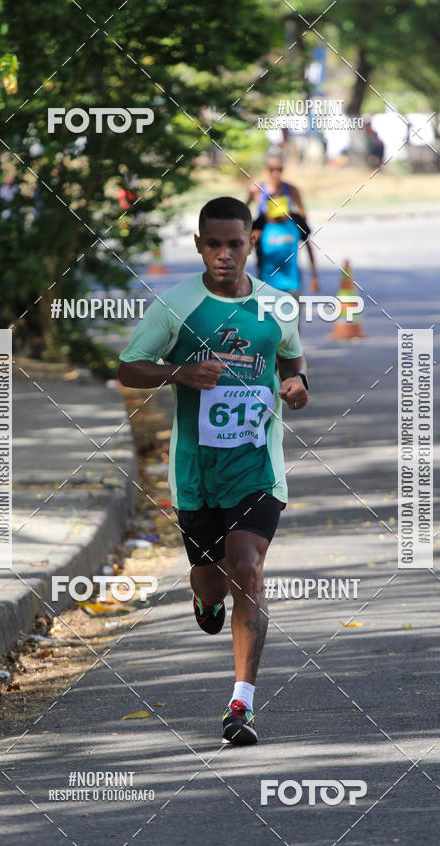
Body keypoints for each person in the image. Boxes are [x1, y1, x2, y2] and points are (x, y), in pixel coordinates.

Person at [118, 196, 308, 745]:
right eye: (214, 244)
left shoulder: (278, 306)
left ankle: (241, 704)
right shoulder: (175, 305)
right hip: (196, 472)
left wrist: (297, 383)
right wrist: (179, 371)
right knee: (212, 582)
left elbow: (291, 356)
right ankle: (205, 598)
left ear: (251, 243)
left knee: (247, 566)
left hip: (257, 467)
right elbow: (130, 366)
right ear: (199, 246)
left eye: (235, 243)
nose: (224, 255)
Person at [246, 150, 319, 295]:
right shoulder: (257, 190)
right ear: (266, 170)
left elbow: (303, 212)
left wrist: (297, 227)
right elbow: (243, 212)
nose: (276, 173)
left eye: (280, 169)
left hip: (287, 236)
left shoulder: (291, 189)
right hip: (264, 237)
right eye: (273, 170)